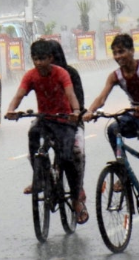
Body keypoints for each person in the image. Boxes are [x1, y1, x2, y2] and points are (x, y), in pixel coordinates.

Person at [82, 33, 139, 235]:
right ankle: (122, 169)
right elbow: (102, 97)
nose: (118, 56)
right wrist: (90, 111)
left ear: (132, 51)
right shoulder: (115, 76)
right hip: (134, 118)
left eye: (122, 51)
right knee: (113, 128)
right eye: (115, 53)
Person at [5, 40, 87, 224]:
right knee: (33, 135)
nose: (39, 63)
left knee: (68, 157)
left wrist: (75, 113)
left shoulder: (64, 74)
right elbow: (19, 95)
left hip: (65, 121)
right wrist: (11, 110)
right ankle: (40, 179)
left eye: (43, 58)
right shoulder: (31, 76)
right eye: (36, 59)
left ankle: (76, 199)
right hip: (45, 119)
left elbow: (72, 96)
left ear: (51, 58)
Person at [49, 40, 87, 205]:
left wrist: (74, 114)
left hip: (71, 121)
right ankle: (42, 179)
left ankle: (77, 188)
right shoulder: (39, 75)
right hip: (50, 121)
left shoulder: (71, 74)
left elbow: (78, 101)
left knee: (76, 151)